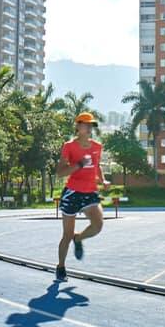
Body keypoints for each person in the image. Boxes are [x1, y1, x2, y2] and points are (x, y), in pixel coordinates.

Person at [54, 111, 110, 281]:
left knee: (98, 225)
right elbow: (60, 172)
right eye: (86, 124)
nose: (89, 127)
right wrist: (78, 165)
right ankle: (61, 266)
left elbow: (97, 166)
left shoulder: (97, 147)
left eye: (91, 125)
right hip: (72, 192)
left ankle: (78, 239)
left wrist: (103, 180)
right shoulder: (69, 146)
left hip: (90, 191)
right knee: (67, 235)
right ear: (78, 126)